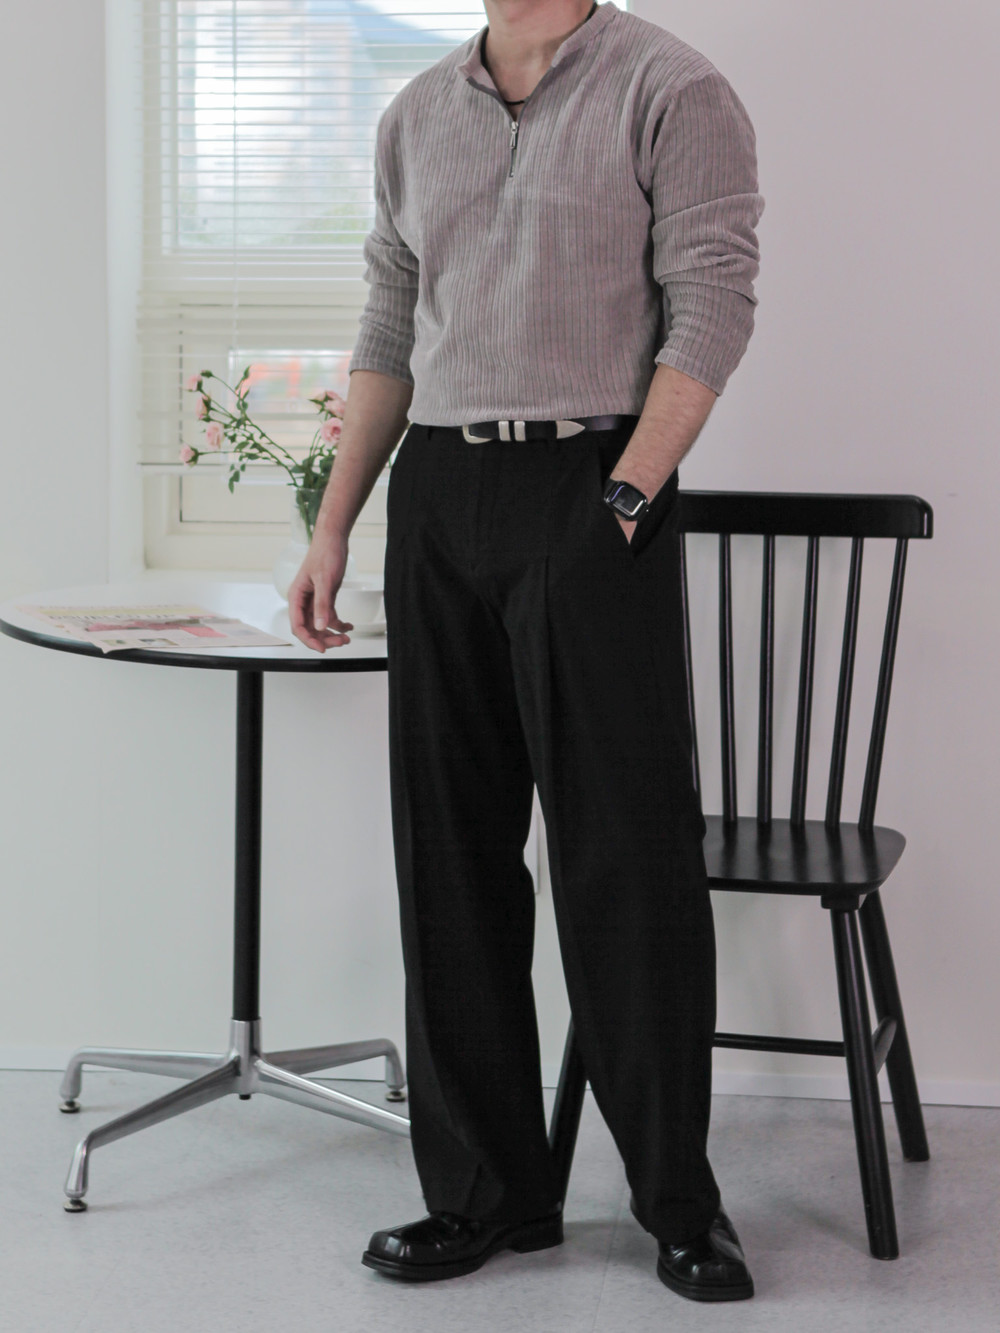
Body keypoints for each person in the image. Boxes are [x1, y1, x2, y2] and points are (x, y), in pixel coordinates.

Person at [289, 0, 764, 1304]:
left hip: (592, 486)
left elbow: (712, 303)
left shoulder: (671, 88)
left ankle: (678, 1201)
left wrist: (626, 496)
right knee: (449, 854)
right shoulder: (416, 115)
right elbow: (391, 324)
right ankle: (487, 1192)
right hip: (441, 494)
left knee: (627, 859)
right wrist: (333, 526)